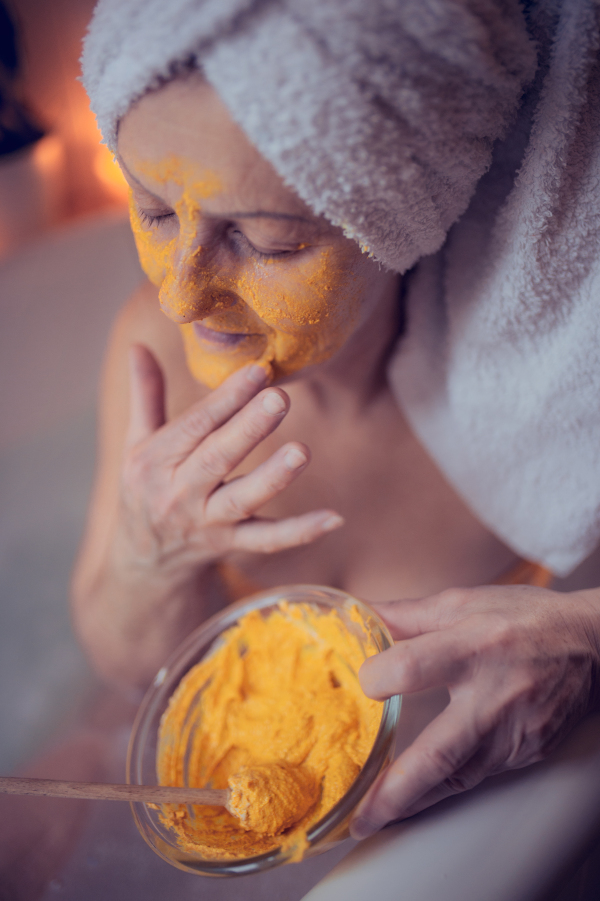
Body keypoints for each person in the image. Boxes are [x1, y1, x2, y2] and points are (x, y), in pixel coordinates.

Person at [74, 0, 600, 841]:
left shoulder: (559, 379)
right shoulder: (156, 353)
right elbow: (128, 667)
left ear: (404, 222)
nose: (180, 293)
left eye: (271, 244)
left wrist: (589, 635)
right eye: (154, 210)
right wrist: (147, 557)